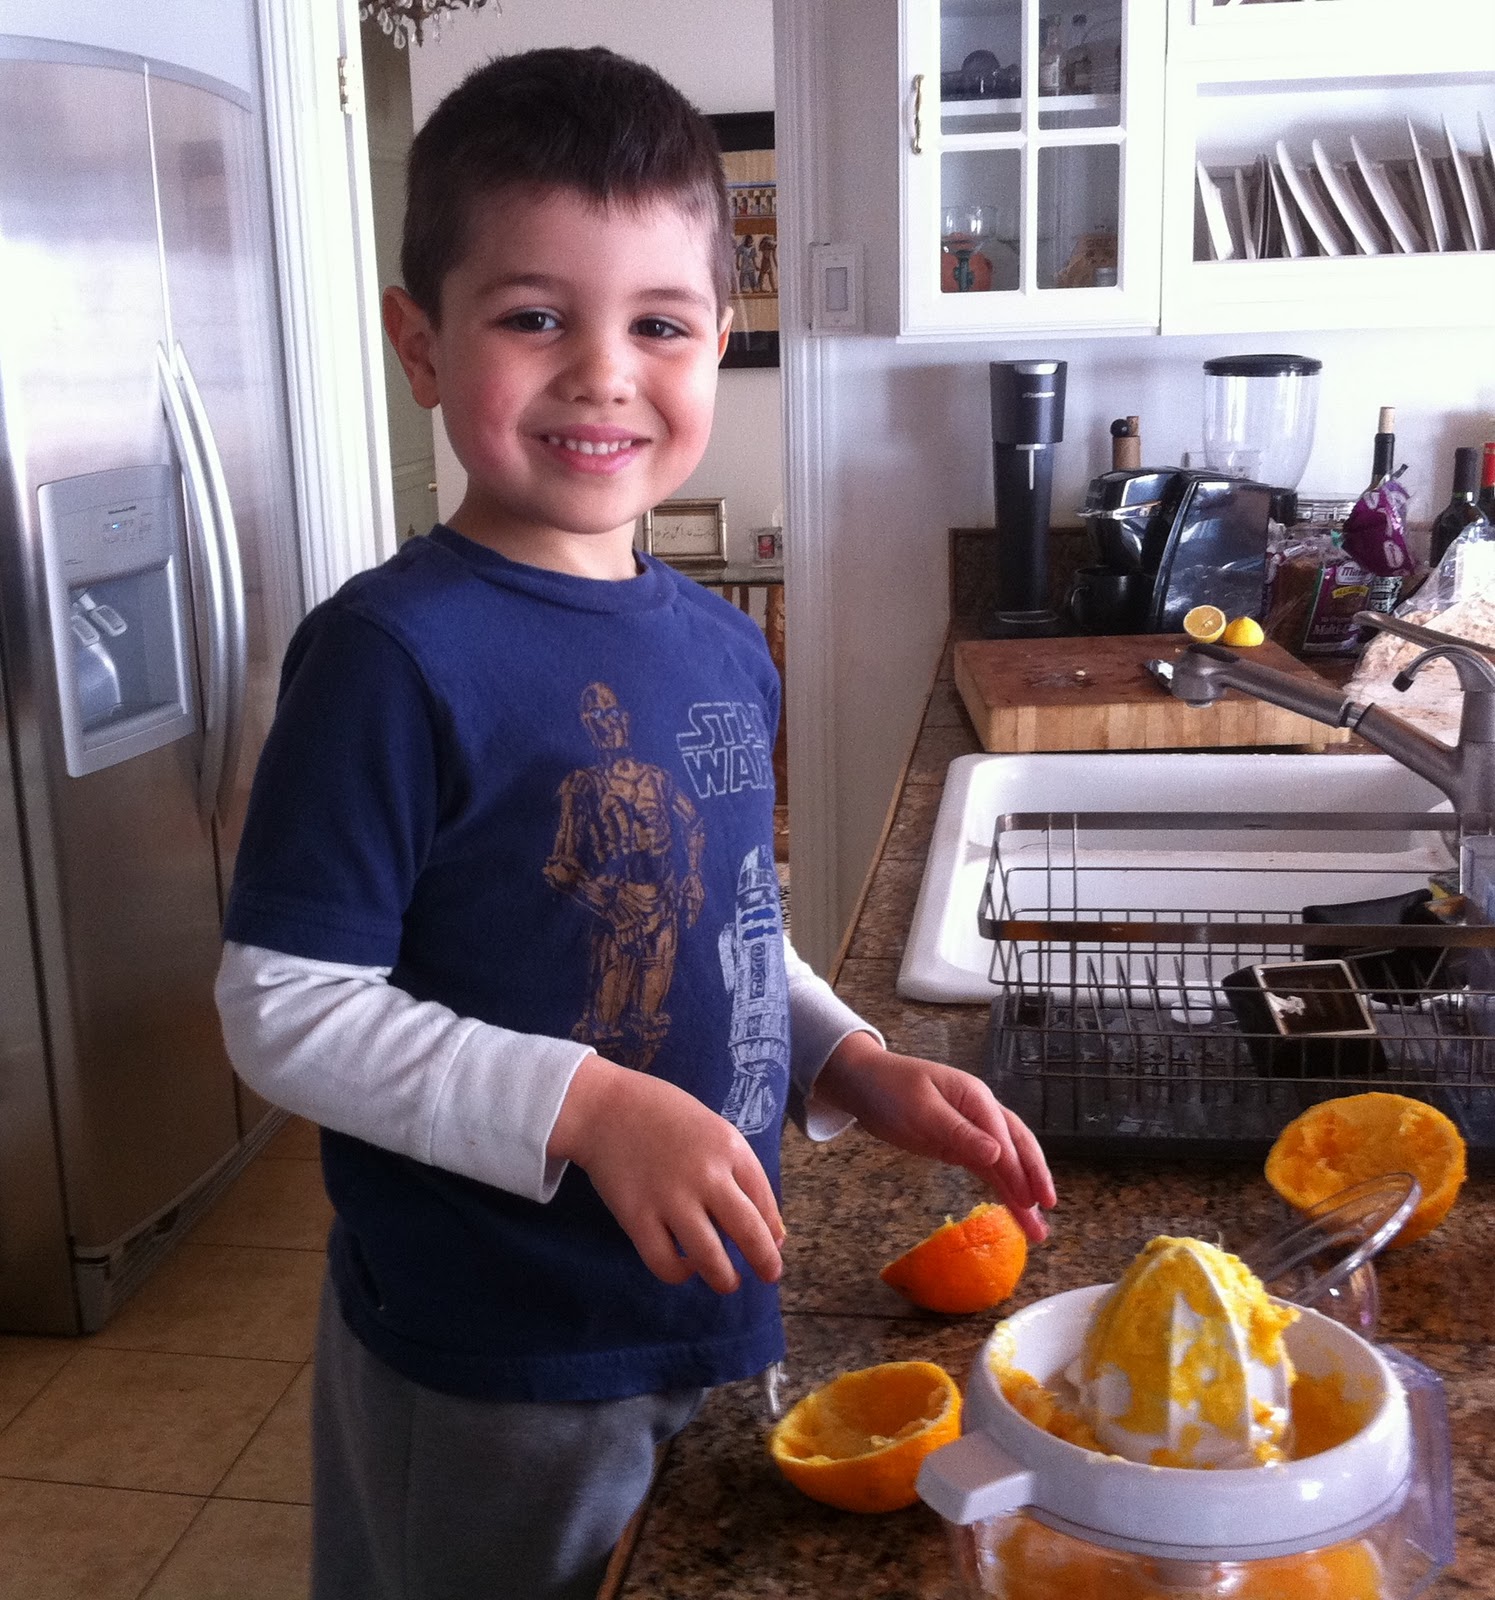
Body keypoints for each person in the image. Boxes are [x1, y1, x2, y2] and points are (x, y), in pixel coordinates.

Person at [214, 45, 1055, 1600]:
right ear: (421, 343)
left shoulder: (726, 647)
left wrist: (846, 1061)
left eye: (658, 324)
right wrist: (593, 1110)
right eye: (535, 317)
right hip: (500, 1349)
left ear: (718, 339)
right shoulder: (392, 657)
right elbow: (285, 1010)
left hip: (707, 1292)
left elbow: (736, 925)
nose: (603, 372)